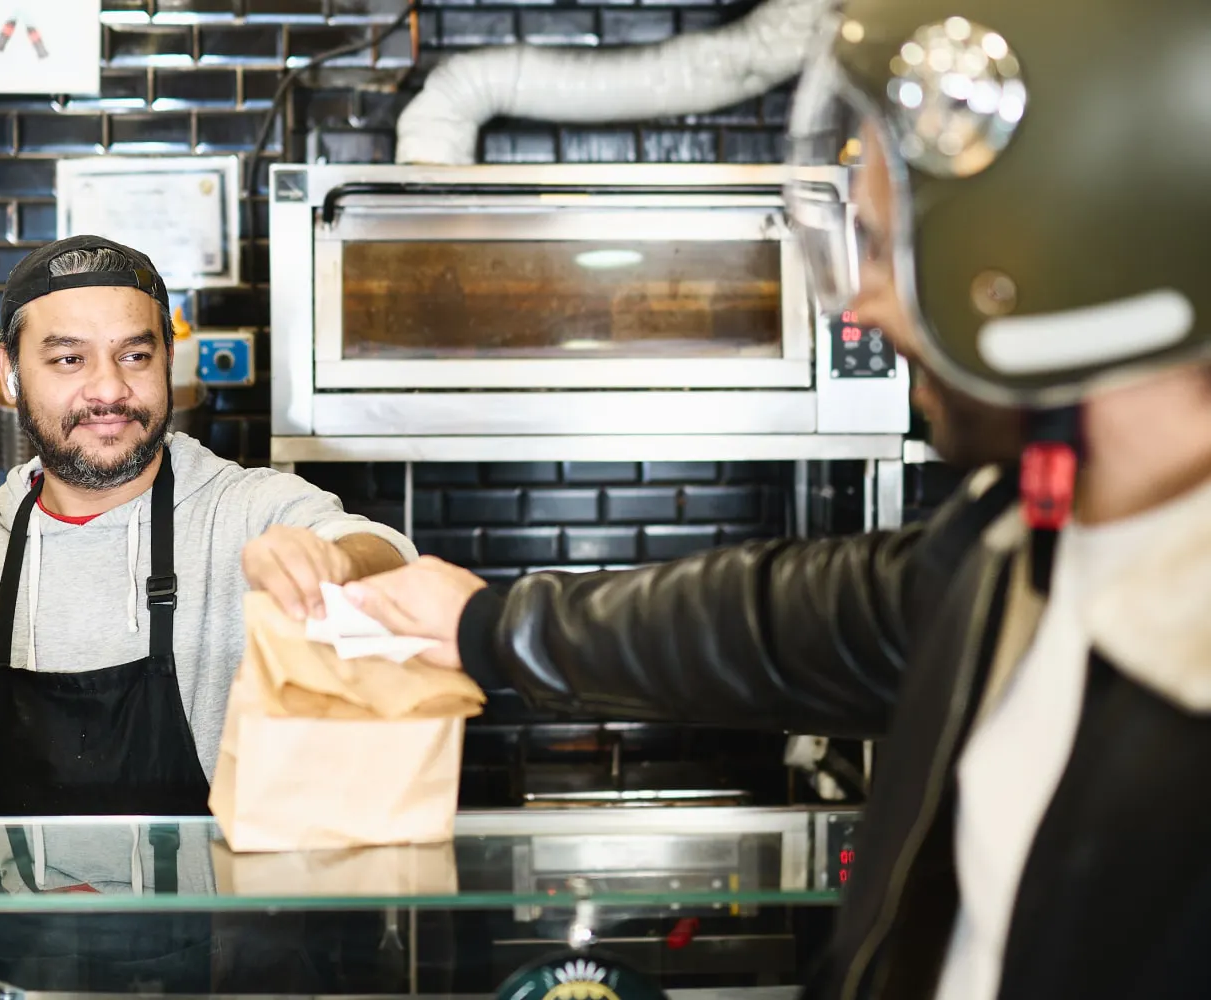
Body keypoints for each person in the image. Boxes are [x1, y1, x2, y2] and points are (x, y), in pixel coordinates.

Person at [344, 2, 1211, 998]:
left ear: (1060, 275)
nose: (857, 305)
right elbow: (777, 619)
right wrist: (491, 624)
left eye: (885, 249)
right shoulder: (1013, 553)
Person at [0, 235, 415, 984]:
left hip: (227, 974)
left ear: (166, 363)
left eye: (135, 356)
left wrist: (335, 564)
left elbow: (384, 552)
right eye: (69, 358)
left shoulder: (244, 510)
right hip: (28, 974)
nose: (107, 390)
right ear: (9, 373)